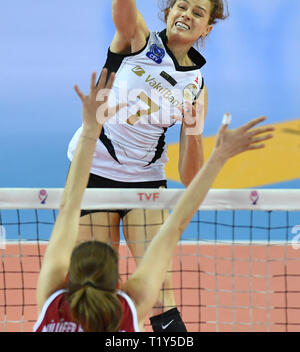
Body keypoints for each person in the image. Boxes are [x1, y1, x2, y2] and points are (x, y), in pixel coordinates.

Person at [67, 0, 229, 332]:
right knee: (93, 286)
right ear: (168, 9)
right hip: (95, 172)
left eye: (197, 13)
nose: (186, 15)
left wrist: (193, 130)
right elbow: (123, 6)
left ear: (206, 28)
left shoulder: (197, 87)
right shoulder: (139, 40)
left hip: (145, 182)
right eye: (181, 6)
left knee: (157, 294)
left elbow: (190, 176)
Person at [35, 70, 273, 332]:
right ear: (119, 287)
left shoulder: (51, 304)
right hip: (104, 176)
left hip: (142, 176)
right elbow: (175, 227)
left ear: (67, 278)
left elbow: (69, 204)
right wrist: (219, 157)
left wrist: (90, 129)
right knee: (162, 297)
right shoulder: (127, 310)